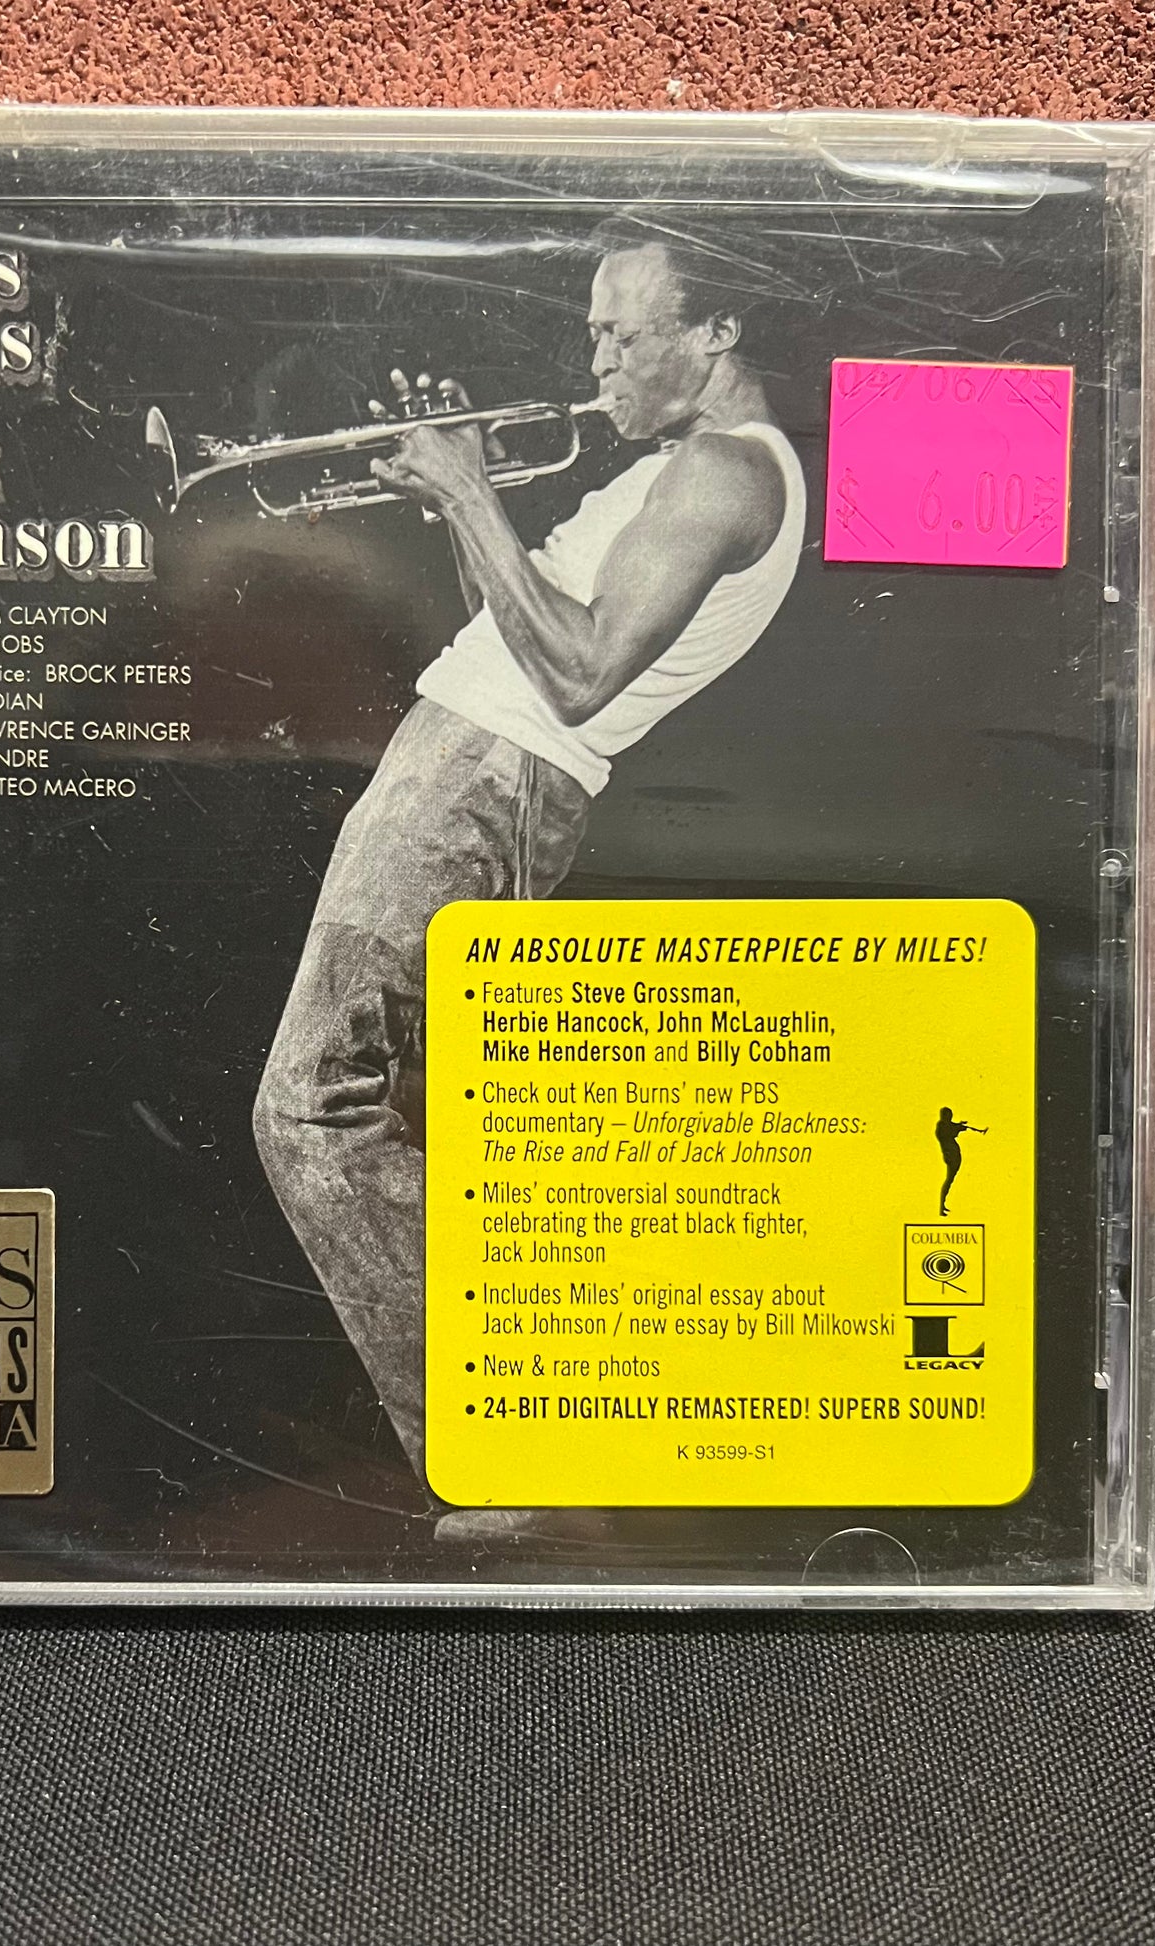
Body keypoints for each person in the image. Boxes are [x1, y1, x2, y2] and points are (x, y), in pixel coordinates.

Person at [253, 228, 806, 1492]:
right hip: (476, 763)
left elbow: (578, 673)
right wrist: (457, 501)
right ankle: (519, 1434)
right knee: (393, 1115)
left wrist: (467, 494)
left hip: (485, 774)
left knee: (309, 1107)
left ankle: (497, 1462)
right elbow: (519, 632)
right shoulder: (679, 467)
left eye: (621, 332)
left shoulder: (727, 470)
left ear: (714, 332)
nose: (594, 360)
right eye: (592, 331)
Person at [935, 1108, 987, 1217]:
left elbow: (952, 1127)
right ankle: (941, 1206)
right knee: (948, 1181)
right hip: (951, 1157)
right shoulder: (942, 1127)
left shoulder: (944, 1125)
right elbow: (950, 1132)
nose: (950, 1117)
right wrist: (959, 1127)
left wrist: (960, 1125)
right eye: (949, 1115)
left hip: (953, 1156)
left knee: (949, 1181)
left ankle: (942, 1206)